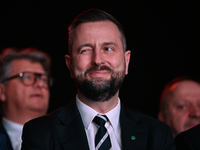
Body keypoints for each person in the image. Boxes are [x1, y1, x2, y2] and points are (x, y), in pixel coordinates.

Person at [21, 9, 175, 150]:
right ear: (70, 65)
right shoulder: (40, 133)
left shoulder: (158, 135)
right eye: (85, 50)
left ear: (126, 62)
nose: (98, 60)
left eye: (108, 48)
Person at [0, 48, 52, 150]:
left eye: (43, 79)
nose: (40, 84)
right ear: (2, 91)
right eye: (27, 77)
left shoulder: (67, 135)